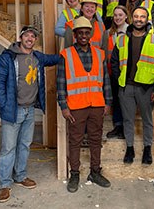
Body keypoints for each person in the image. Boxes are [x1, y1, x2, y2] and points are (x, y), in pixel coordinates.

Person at [0, 26, 59, 203]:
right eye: (27, 35)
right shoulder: (8, 57)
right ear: (20, 38)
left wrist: (72, 52)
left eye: (33, 36)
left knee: (24, 145)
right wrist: (5, 104)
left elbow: (54, 59)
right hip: (13, 111)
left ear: (35, 40)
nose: (30, 38)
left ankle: (20, 176)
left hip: (29, 110)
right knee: (8, 148)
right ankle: (5, 184)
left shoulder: (37, 57)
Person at [57, 16, 112, 193]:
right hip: (76, 107)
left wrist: (108, 102)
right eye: (80, 32)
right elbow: (60, 83)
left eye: (86, 33)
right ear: (74, 34)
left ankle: (95, 172)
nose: (83, 35)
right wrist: (64, 106)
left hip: (96, 105)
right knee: (75, 141)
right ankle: (74, 173)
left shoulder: (99, 53)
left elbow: (106, 80)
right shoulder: (66, 55)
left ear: (91, 34)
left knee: (96, 140)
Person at [110, 6, 154, 165]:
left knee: (147, 120)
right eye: (136, 16)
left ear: (147, 20)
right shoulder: (122, 38)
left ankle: (147, 149)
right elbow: (114, 62)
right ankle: (130, 148)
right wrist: (120, 80)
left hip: (146, 88)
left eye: (142, 17)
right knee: (127, 119)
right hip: (126, 87)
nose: (139, 19)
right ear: (131, 18)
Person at [102, 5, 129, 139]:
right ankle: (118, 126)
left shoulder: (130, 32)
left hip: (125, 72)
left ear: (126, 16)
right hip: (110, 72)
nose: (118, 17)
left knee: (125, 101)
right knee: (116, 101)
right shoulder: (108, 33)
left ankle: (125, 128)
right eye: (116, 15)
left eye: (120, 15)